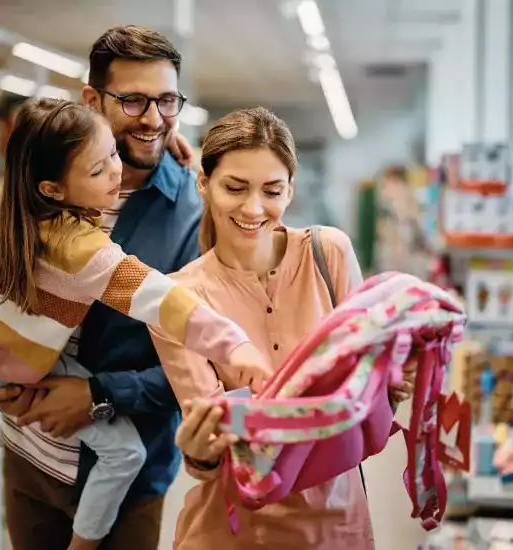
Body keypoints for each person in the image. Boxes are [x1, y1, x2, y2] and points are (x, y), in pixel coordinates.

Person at [0, 98, 266, 550]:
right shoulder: (85, 251)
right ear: (52, 187)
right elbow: (166, 301)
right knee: (125, 453)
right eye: (98, 169)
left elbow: (55, 133)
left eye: (113, 152)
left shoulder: (22, 213)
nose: (116, 172)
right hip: (21, 378)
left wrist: (167, 149)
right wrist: (234, 345)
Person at [153, 107, 419, 549]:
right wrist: (199, 450)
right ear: (204, 184)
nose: (253, 208)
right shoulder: (180, 299)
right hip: (231, 532)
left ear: (291, 191)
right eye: (235, 188)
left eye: (272, 191)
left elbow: (368, 397)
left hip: (336, 527)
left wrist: (391, 384)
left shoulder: (327, 253)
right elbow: (213, 452)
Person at [0, 25, 205, 550]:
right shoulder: (46, 183)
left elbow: (203, 367)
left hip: (126, 482)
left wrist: (99, 397)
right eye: (132, 101)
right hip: (30, 463)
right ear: (92, 99)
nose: (153, 119)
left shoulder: (191, 215)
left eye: (166, 100)